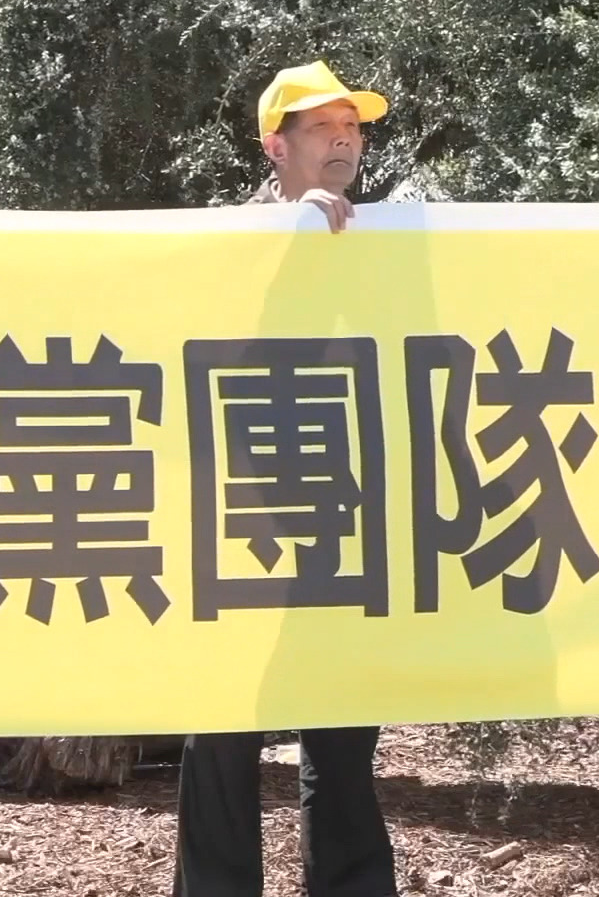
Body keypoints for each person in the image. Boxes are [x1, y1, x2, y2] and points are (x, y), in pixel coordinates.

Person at [171, 59, 398, 897]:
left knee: (343, 725)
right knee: (222, 724)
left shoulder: (385, 241)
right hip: (240, 512)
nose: (344, 141)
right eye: (322, 128)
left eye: (352, 127)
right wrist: (284, 235)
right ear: (275, 146)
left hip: (341, 508)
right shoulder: (229, 237)